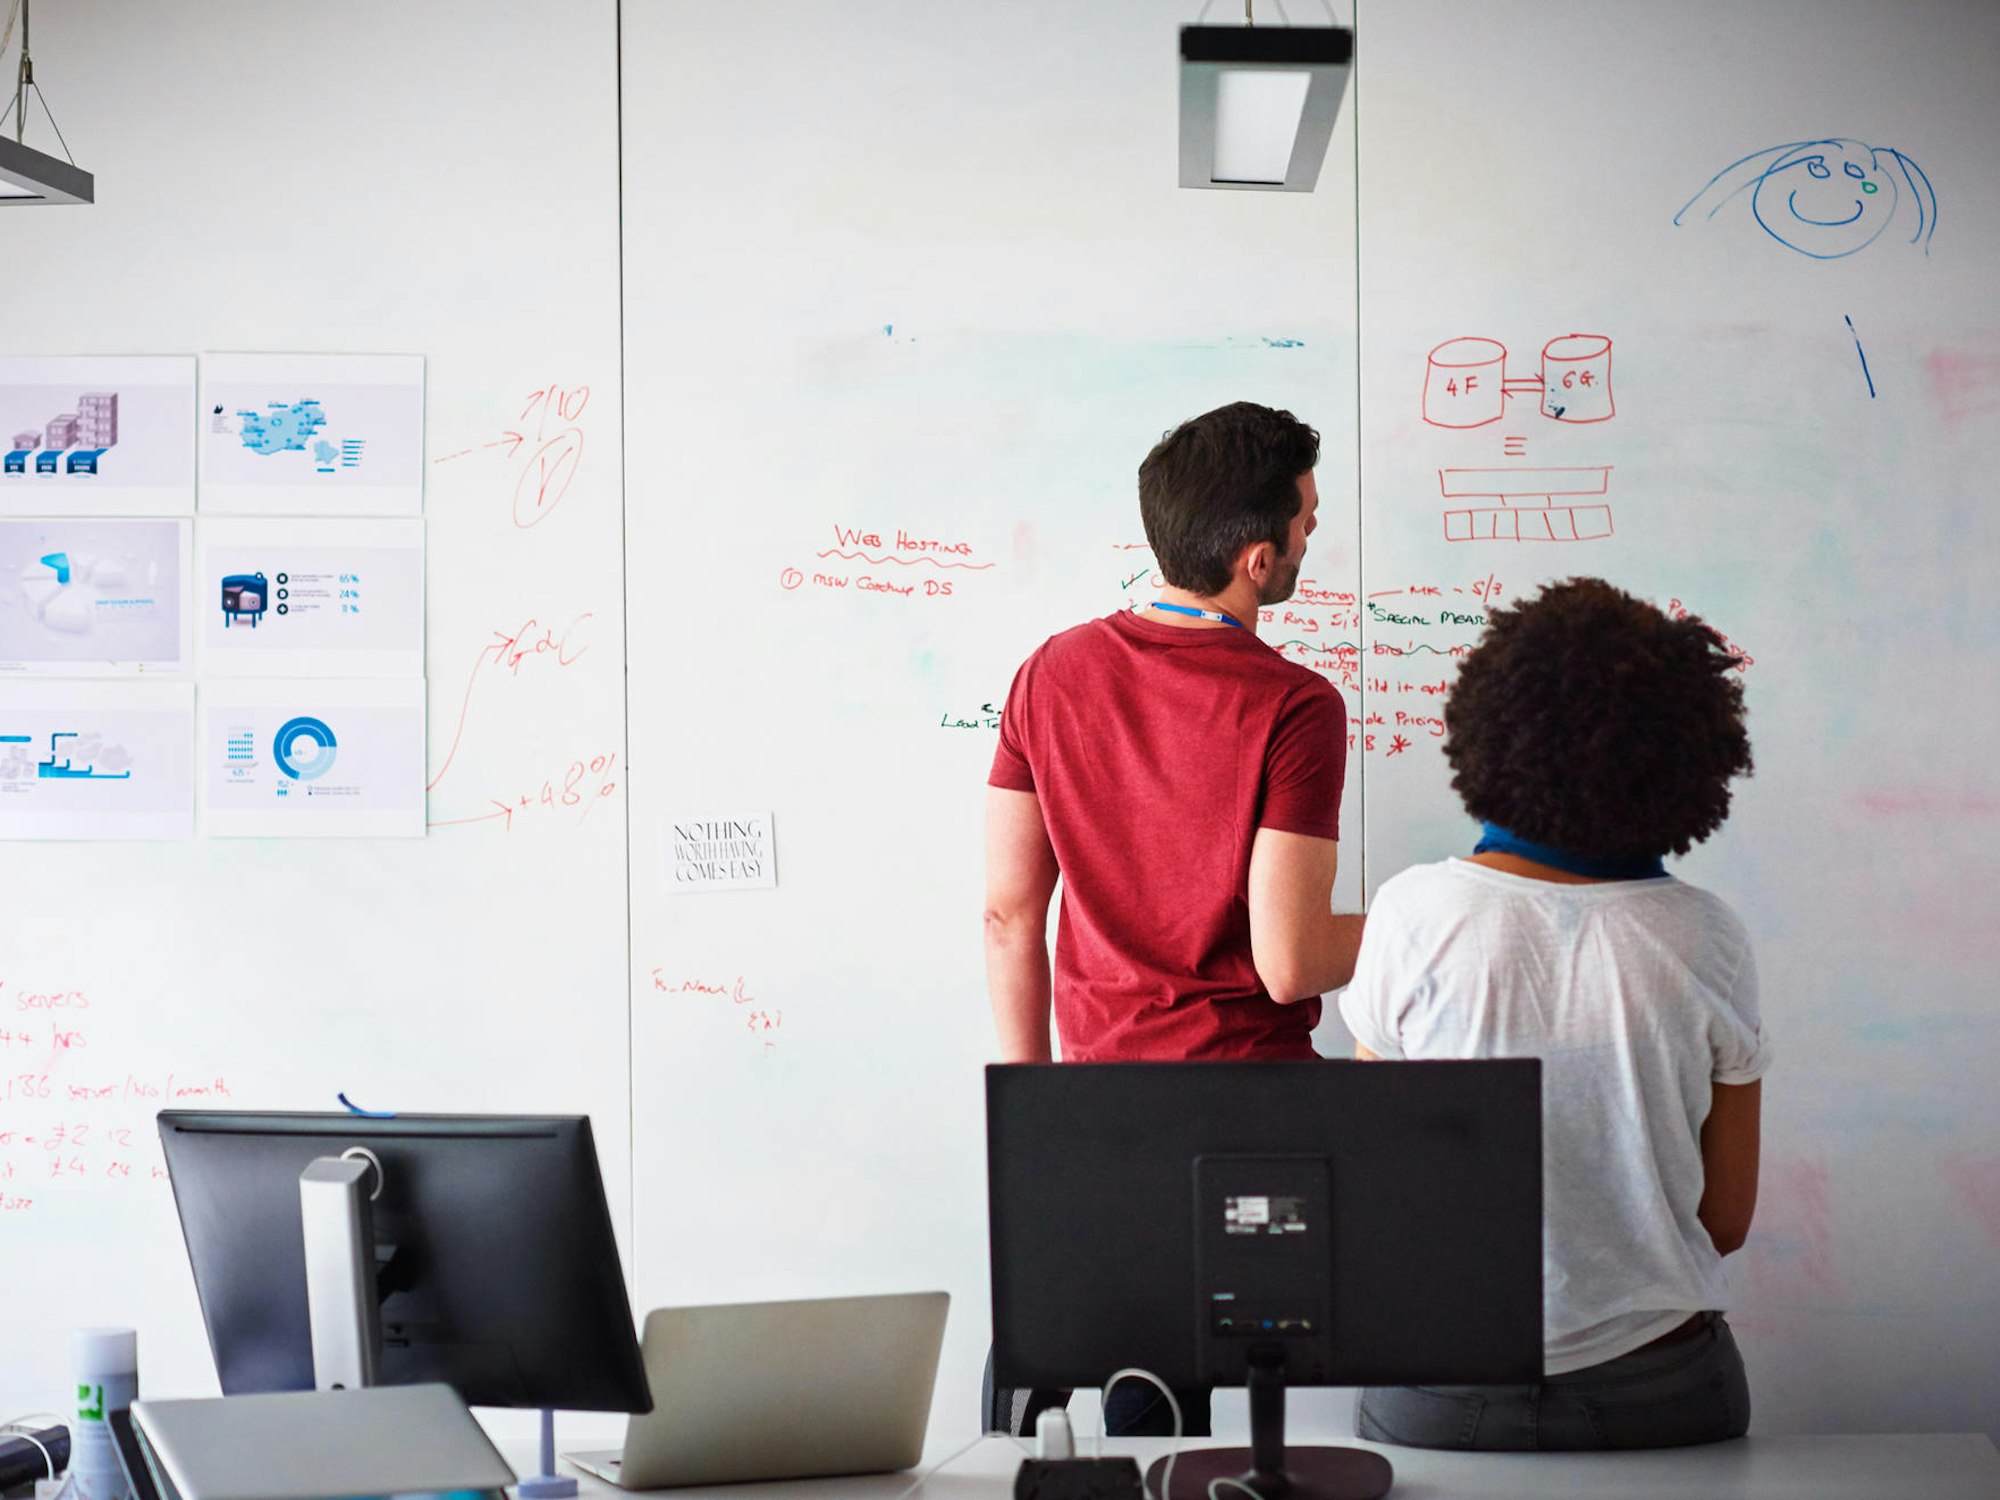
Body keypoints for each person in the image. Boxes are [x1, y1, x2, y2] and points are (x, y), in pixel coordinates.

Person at [981, 401, 1365, 1437]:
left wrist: (1033, 1117)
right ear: (1254, 558)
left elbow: (1008, 916)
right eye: (1305, 523)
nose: (1310, 539)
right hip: (1254, 1120)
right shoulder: (1294, 705)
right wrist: (1422, 916)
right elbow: (1291, 965)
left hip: (1100, 1114)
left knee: (1148, 1385)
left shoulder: (1047, 672)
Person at [1340, 576, 1767, 1451]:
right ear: (1689, 760)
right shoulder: (1708, 936)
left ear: (1490, 733)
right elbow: (1723, 1220)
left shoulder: (1414, 912)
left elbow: (1379, 1184)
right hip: (1664, 1387)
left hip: (1440, 1383)